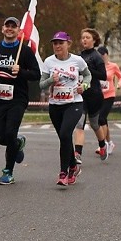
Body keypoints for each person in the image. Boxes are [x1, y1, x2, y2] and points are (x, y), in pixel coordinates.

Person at [0, 16, 41, 185]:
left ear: (18, 30)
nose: (10, 29)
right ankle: (18, 143)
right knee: (2, 138)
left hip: (18, 99)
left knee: (10, 131)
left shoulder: (25, 51)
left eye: (13, 26)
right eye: (7, 26)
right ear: (2, 29)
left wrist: (21, 71)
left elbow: (36, 74)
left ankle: (8, 172)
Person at [41, 32, 91, 185]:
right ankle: (74, 166)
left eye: (60, 43)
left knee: (65, 133)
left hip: (74, 103)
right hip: (55, 105)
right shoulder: (49, 61)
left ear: (68, 43)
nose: (57, 46)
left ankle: (63, 173)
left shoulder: (77, 60)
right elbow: (41, 85)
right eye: (55, 43)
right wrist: (51, 80)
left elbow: (88, 75)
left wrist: (84, 85)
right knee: (64, 137)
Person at [72, 28, 109, 162]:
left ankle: (102, 144)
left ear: (94, 40)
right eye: (83, 38)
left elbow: (103, 75)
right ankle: (77, 154)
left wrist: (88, 70)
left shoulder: (96, 57)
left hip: (94, 95)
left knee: (94, 124)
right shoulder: (79, 56)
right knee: (79, 124)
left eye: (87, 37)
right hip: (81, 95)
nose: (84, 40)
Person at [97, 46, 121, 154]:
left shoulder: (113, 66)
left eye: (102, 56)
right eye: (99, 56)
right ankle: (109, 142)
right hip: (98, 96)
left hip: (109, 95)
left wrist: (120, 83)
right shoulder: (96, 66)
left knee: (101, 118)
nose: (101, 58)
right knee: (103, 121)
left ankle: (102, 145)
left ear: (106, 55)